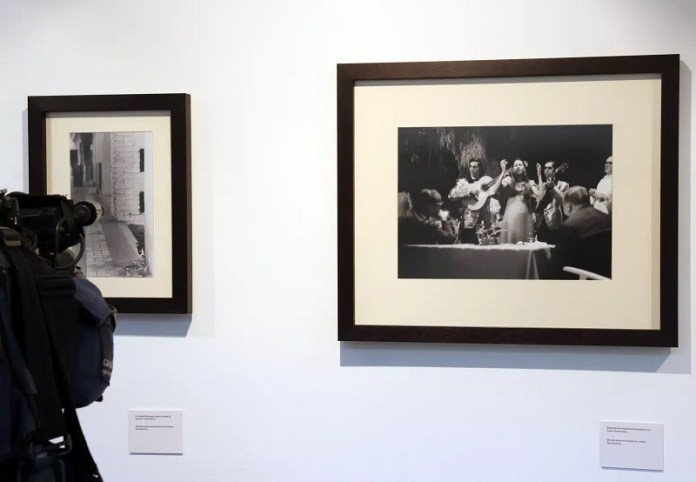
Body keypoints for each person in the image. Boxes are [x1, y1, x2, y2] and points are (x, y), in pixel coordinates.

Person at [556, 186, 612, 278]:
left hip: (581, 277)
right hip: (606, 275)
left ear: (568, 206)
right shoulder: (607, 218)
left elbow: (559, 264)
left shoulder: (569, 226)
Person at [448, 158, 507, 243]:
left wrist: (502, 172)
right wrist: (464, 194)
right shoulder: (463, 182)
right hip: (468, 222)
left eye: (475, 167)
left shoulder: (486, 180)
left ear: (480, 169)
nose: (472, 169)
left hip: (485, 221)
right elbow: (450, 196)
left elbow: (494, 190)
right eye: (470, 166)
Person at [499, 158, 539, 244]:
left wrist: (539, 175)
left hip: (525, 217)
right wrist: (502, 172)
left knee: (525, 241)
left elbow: (539, 195)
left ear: (524, 168)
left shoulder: (530, 182)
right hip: (511, 216)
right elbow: (497, 189)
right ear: (512, 168)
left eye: (520, 165)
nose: (518, 167)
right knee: (510, 240)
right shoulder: (508, 180)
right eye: (515, 165)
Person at [534, 161, 569, 244]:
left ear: (555, 170)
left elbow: (563, 201)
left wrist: (553, 187)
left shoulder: (564, 184)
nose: (546, 170)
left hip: (554, 220)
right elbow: (536, 201)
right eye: (545, 168)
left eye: (549, 168)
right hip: (540, 221)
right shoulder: (541, 185)